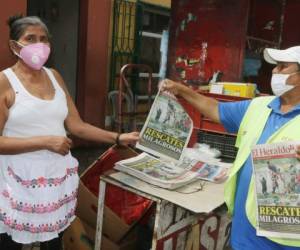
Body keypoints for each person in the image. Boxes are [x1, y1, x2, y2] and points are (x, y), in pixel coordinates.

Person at [0, 15, 139, 250]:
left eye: (44, 39)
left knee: (54, 241)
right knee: (9, 242)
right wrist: (45, 142)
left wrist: (117, 138)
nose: (39, 45)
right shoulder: (5, 82)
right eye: (30, 39)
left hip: (55, 181)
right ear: (14, 46)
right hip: (16, 183)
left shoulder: (54, 77)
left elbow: (76, 126)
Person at [162, 45, 300, 249]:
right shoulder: (259, 106)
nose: (274, 71)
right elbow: (215, 109)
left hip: (284, 241)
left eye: (282, 67)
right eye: (275, 66)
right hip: (244, 232)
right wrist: (181, 90)